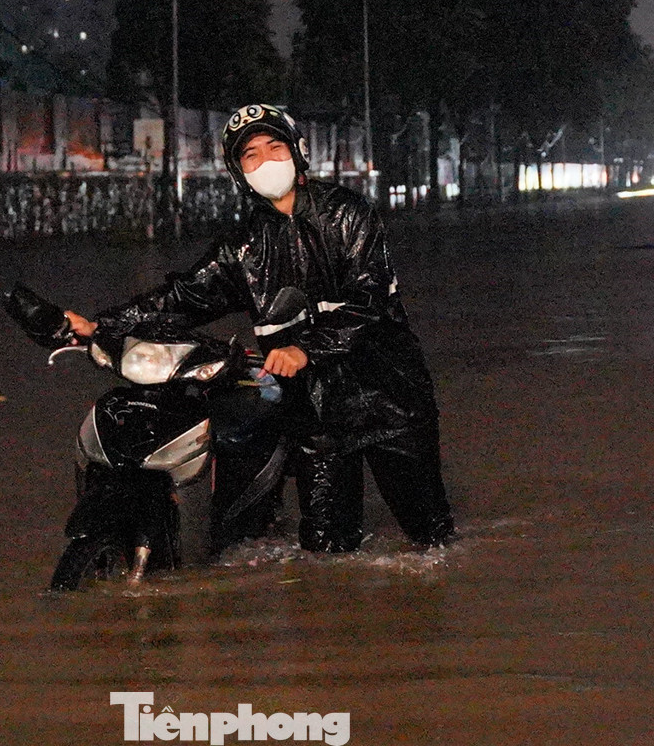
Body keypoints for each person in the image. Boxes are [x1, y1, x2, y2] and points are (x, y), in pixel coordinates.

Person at [65, 103, 455, 552]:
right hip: (315, 413)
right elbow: (183, 297)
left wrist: (304, 348)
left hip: (390, 400)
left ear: (297, 151)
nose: (266, 160)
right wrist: (102, 325)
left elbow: (367, 300)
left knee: (432, 540)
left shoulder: (349, 214)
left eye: (274, 146)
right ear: (239, 171)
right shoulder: (243, 247)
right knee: (327, 552)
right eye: (250, 154)